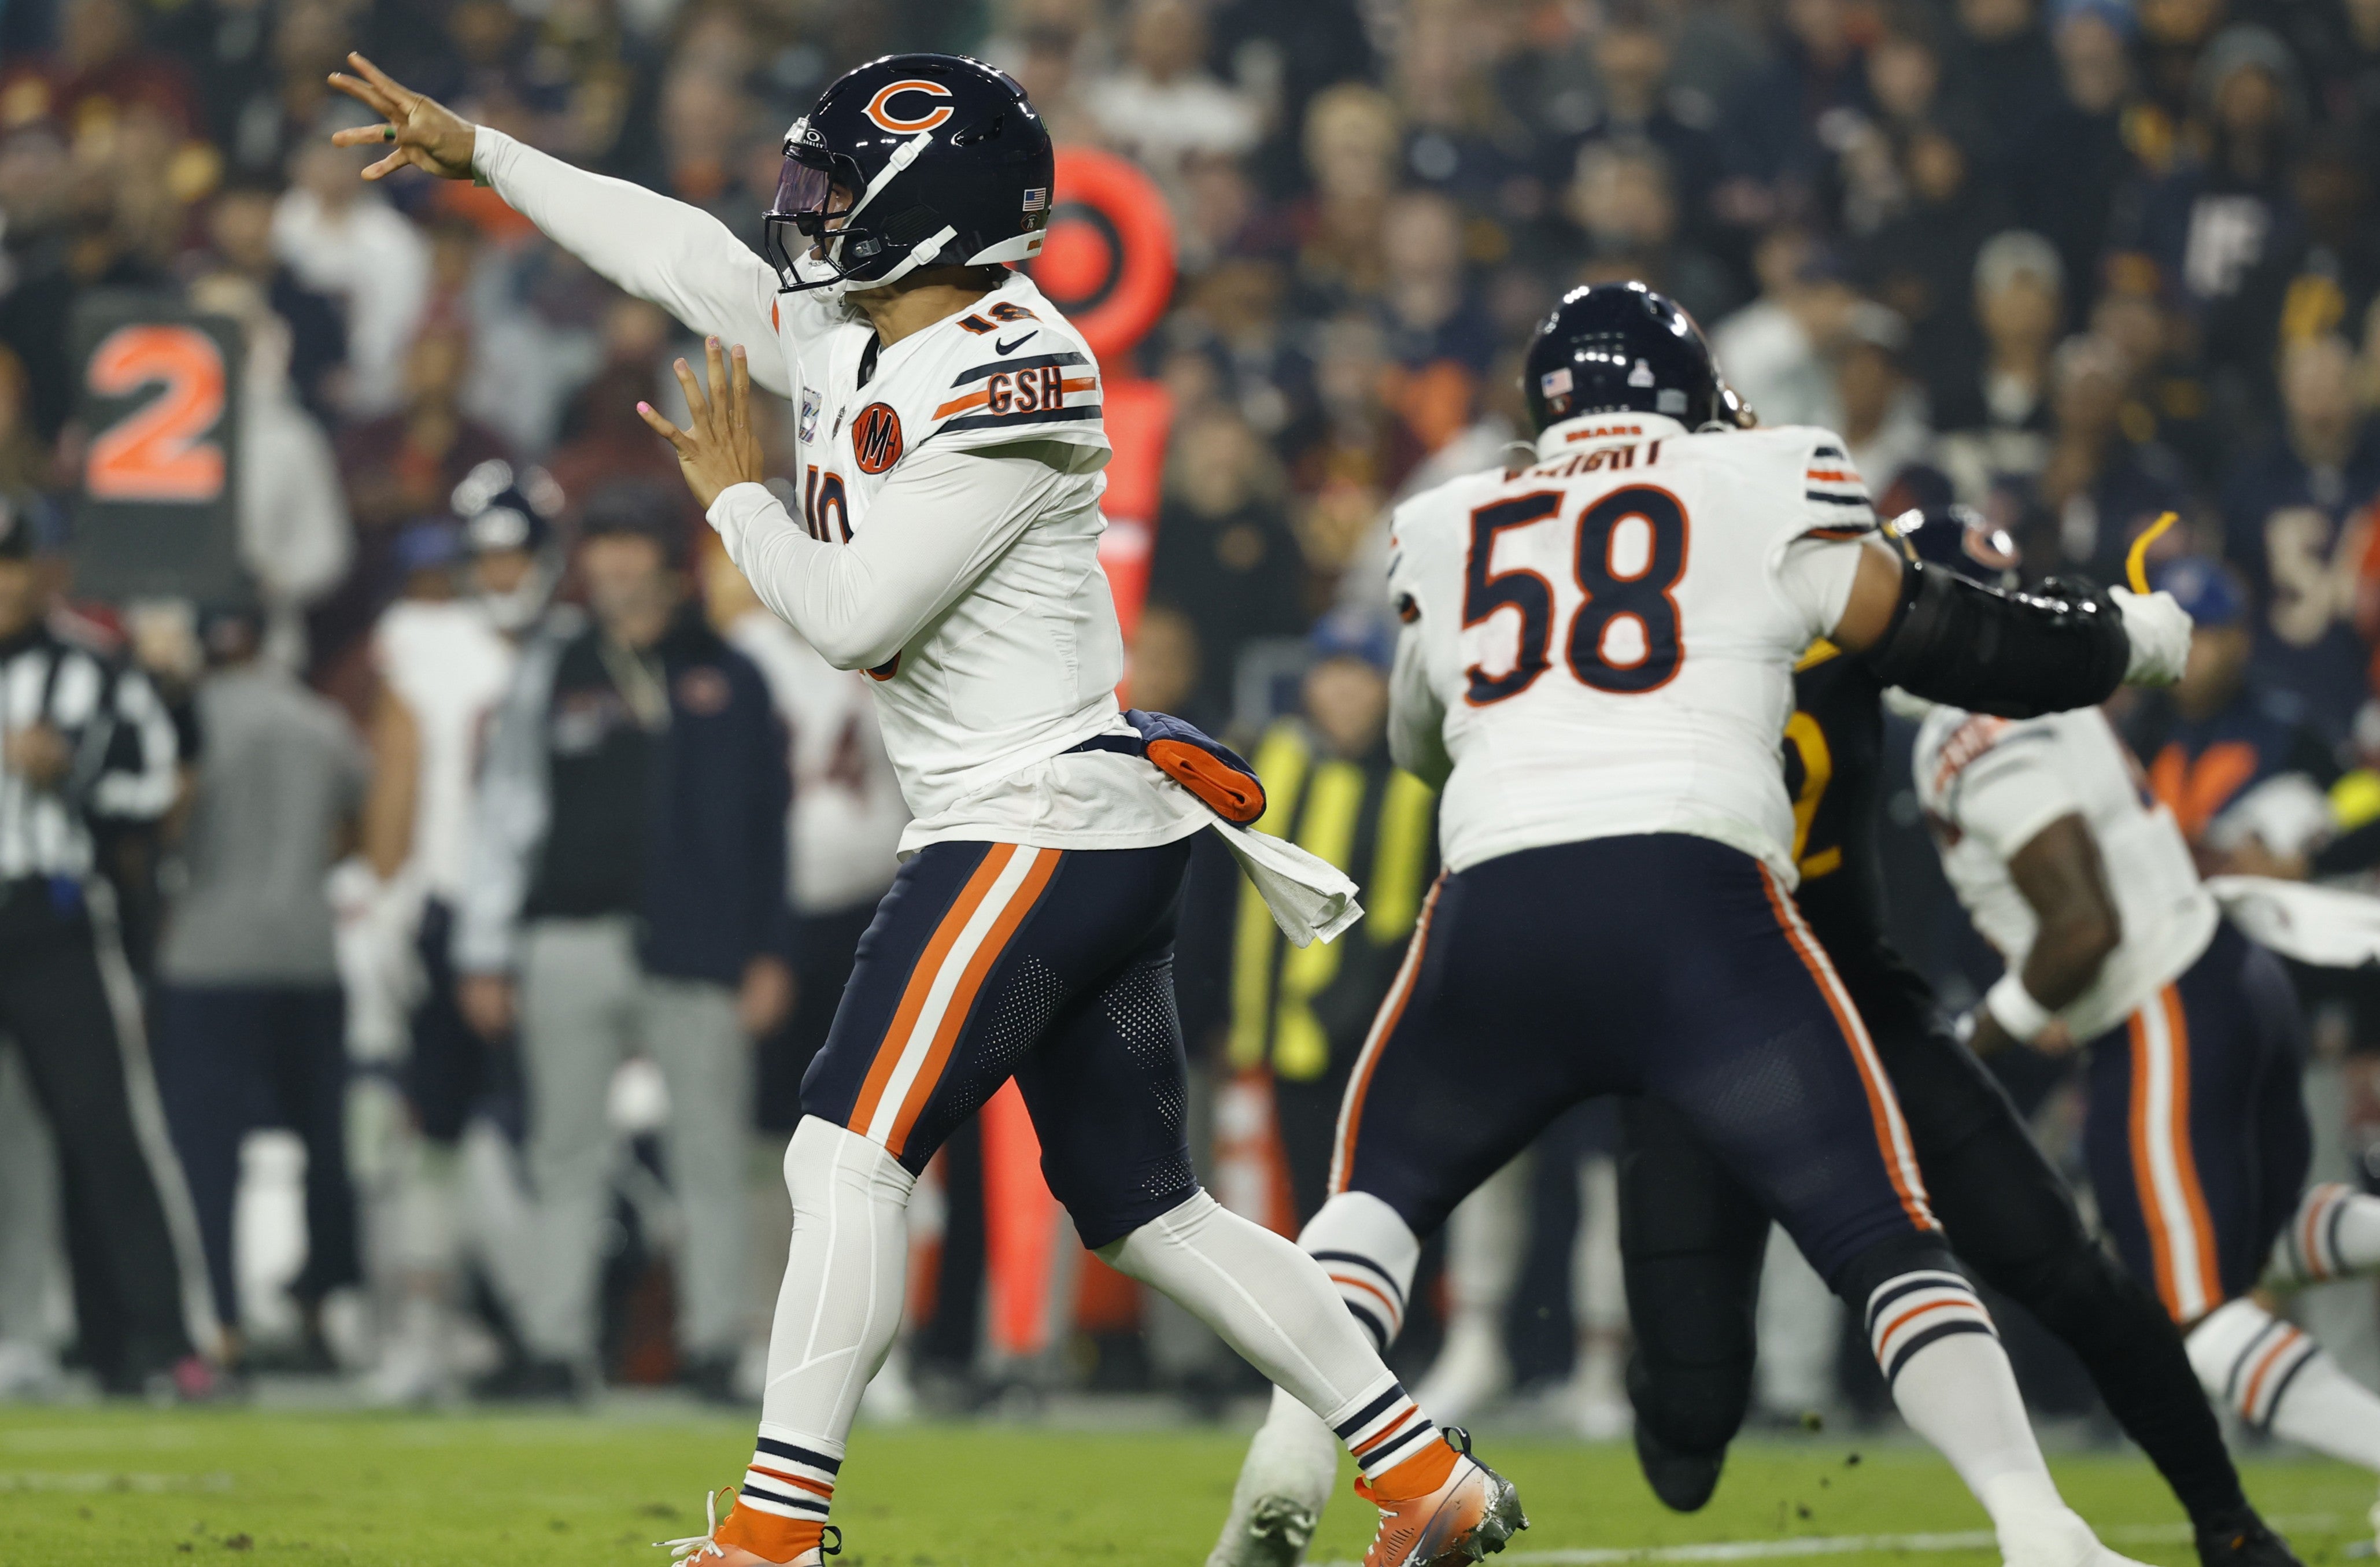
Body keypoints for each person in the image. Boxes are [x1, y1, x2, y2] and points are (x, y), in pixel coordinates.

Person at [330, 47, 1526, 1567]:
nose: (801, 208)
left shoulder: (1017, 369)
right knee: (1146, 1209)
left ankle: (777, 1524)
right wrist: (485, 155)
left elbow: (849, 613)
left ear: (931, 213)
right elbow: (681, 252)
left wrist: (729, 490)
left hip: (1032, 817)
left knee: (841, 1153)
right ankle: (1428, 1476)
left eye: (836, 186)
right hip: (1058, 819)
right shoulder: (865, 320)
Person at [1206, 283, 2193, 1567]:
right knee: (1882, 1233)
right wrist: (2129, 640)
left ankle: (1293, 1443)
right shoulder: (1765, 476)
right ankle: (2036, 1521)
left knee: (1372, 1204)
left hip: (1499, 898)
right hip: (1697, 901)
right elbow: (1953, 636)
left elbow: (1414, 736)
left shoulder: (1451, 520)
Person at [1611, 512, 2299, 1567]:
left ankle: (2230, 1522)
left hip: (1852, 993)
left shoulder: (1872, 659)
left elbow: (2001, 654)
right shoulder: (1742, 636)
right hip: (1711, 1017)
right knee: (1690, 1432)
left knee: (2061, 1264)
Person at [1910, 595, 2380, 1504]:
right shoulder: (2048, 683)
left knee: (2196, 1311)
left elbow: (2083, 925)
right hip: (2222, 973)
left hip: (2158, 1002)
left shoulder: (1968, 721)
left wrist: (1984, 1031)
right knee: (2246, 1238)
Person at [455, 482, 793, 1404]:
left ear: (668, 561)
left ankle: (714, 1343)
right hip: (567, 934)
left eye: (628, 542)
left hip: (699, 943)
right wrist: (486, 945)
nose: (611, 561)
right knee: (564, 1152)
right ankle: (555, 1344)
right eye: (598, 543)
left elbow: (769, 825)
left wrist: (770, 949)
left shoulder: (731, 671)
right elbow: (505, 809)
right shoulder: (556, 665)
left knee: (709, 1156)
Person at [0, 501, 203, 1398]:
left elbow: (155, 771)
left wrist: (67, 765)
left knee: (100, 1130)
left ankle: (151, 1341)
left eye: (15, 562)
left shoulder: (86, 664)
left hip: (45, 915)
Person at [150, 596, 369, 1373]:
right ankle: (317, 1314)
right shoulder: (321, 720)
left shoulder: (186, 717)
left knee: (211, 1153)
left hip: (208, 953)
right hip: (306, 948)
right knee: (323, 1146)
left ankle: (225, 1324)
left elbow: (164, 821)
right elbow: (357, 827)